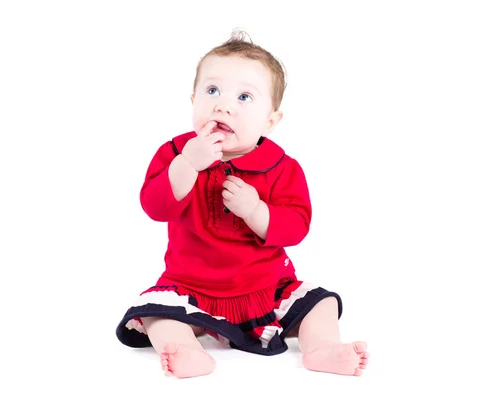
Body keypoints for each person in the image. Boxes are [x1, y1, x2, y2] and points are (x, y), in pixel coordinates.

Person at [115, 29, 369, 378]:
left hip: (266, 288)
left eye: (245, 97)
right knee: (155, 312)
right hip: (190, 287)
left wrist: (256, 212)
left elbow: (297, 226)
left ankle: (321, 348)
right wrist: (188, 165)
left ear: (270, 120)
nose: (223, 105)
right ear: (194, 101)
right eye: (212, 91)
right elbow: (155, 208)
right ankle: (186, 350)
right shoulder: (176, 154)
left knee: (321, 303)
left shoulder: (282, 167)